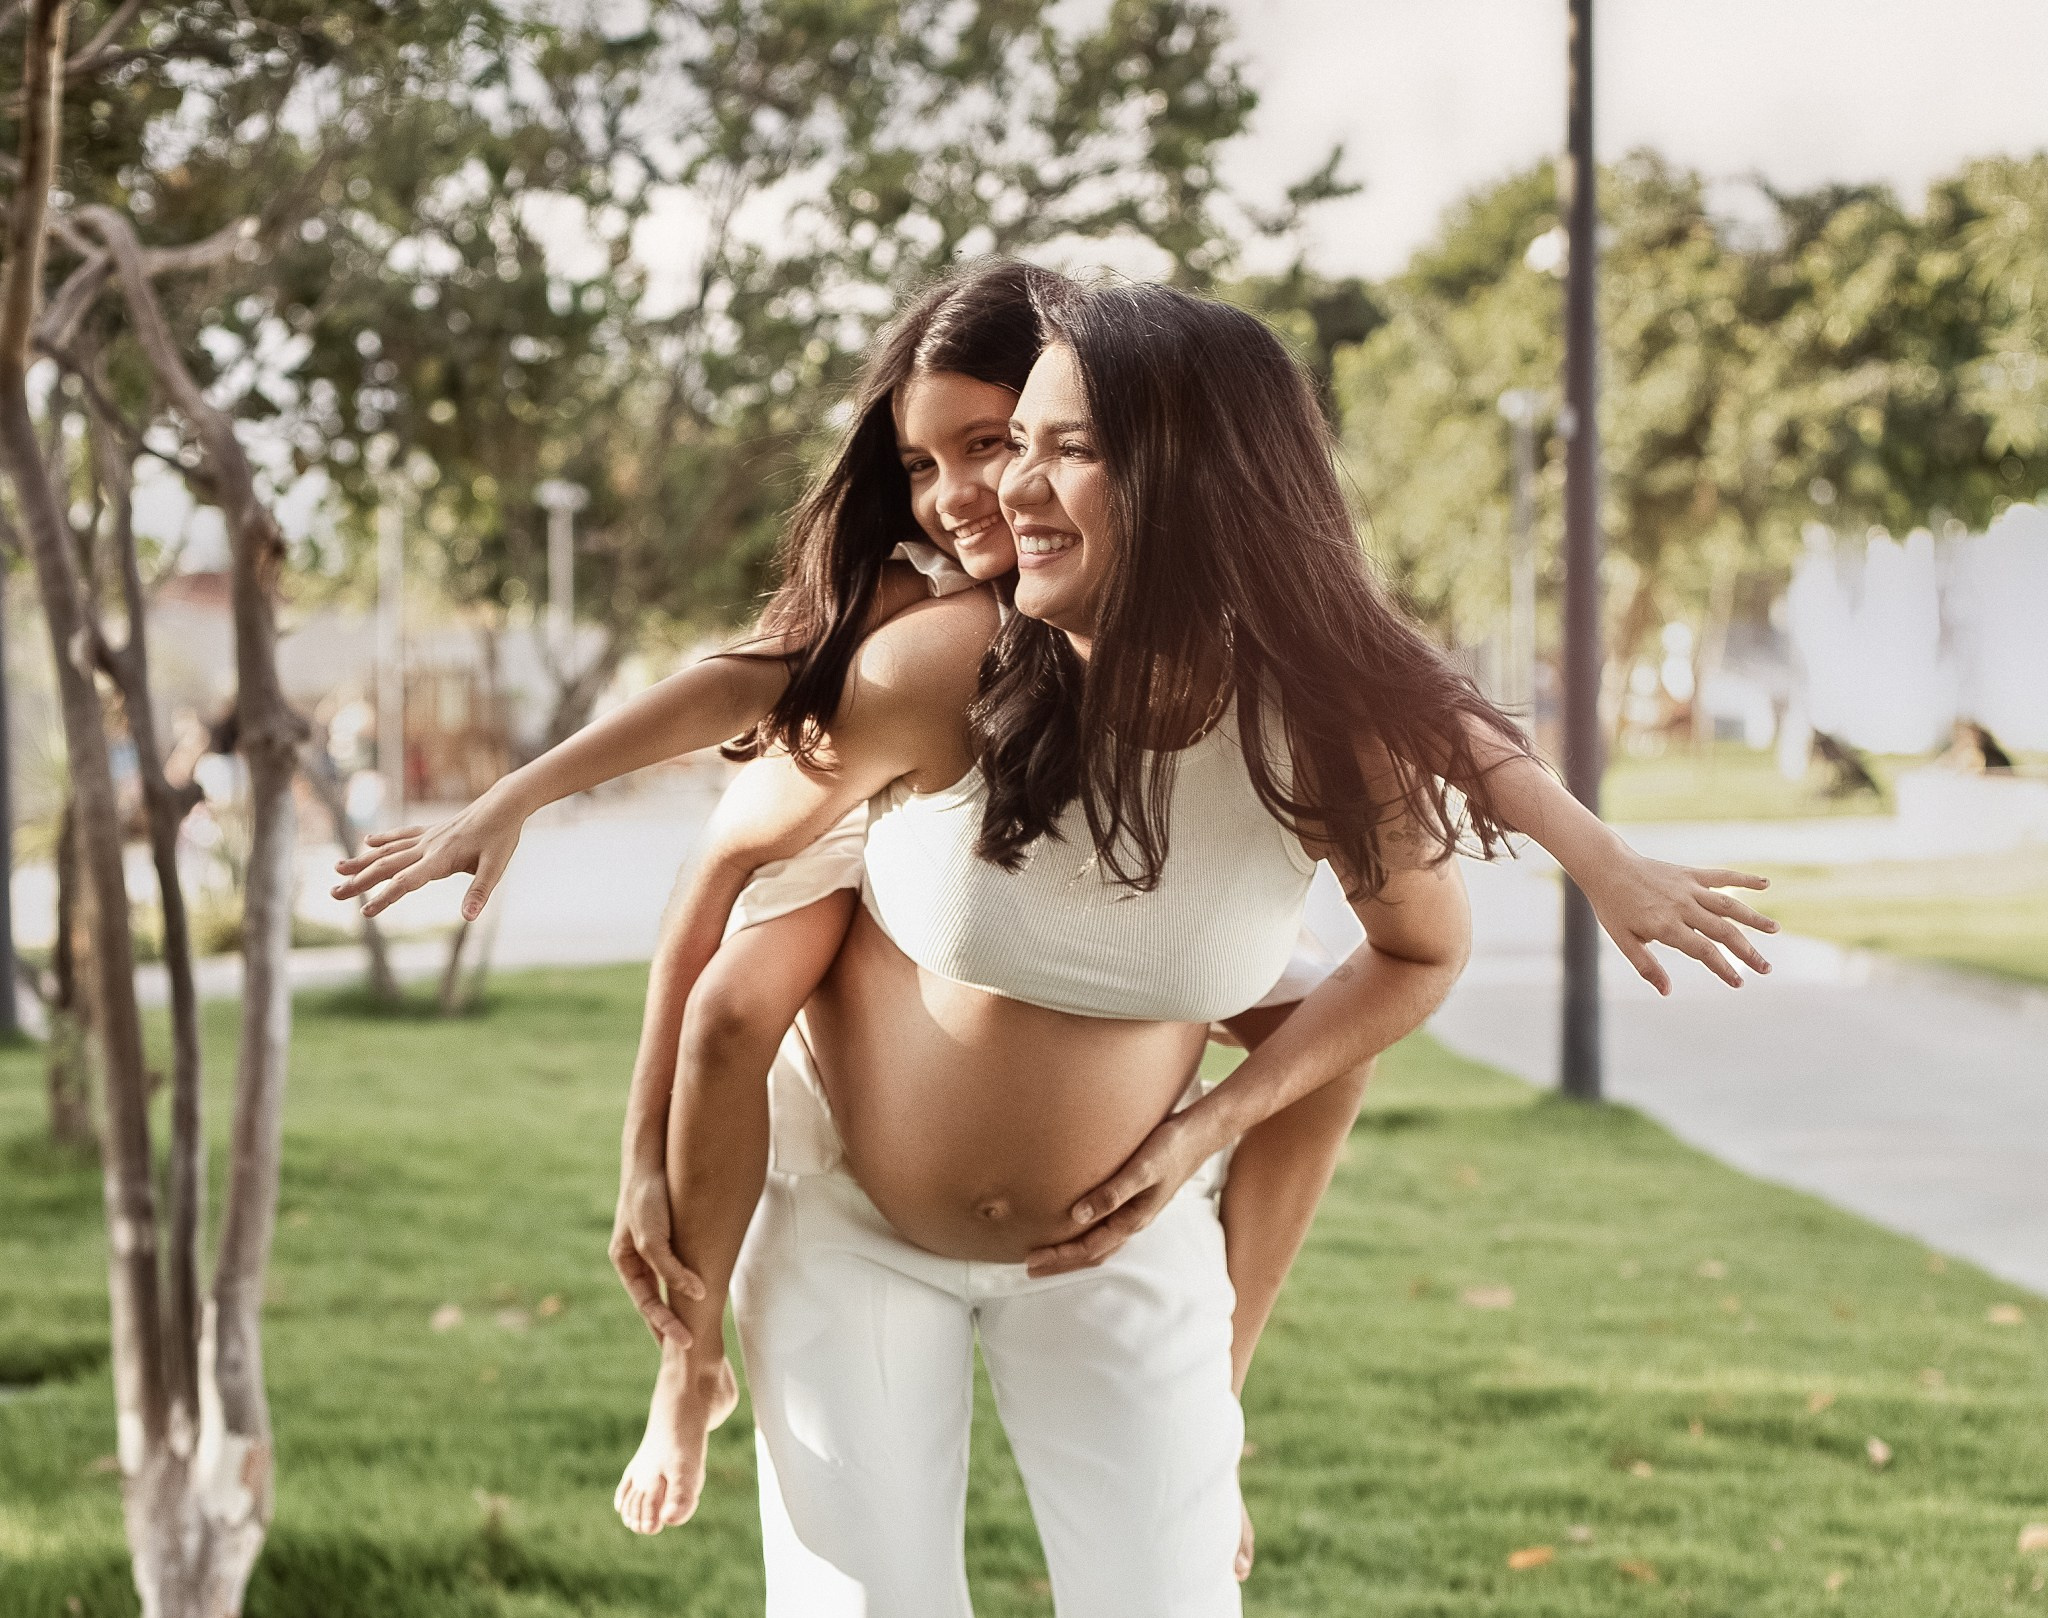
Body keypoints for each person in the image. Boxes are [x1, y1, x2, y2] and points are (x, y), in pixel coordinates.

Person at [597, 278, 1777, 1614]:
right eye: (1014, 443)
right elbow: (726, 854)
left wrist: (1202, 1136)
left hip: (1121, 1242)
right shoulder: (939, 666)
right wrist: (644, 1156)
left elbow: (1420, 913)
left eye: (1068, 448)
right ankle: (694, 1378)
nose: (1010, 491)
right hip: (851, 1226)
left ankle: (1212, 1409)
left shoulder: (1315, 727)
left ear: (1196, 478)